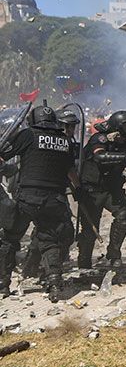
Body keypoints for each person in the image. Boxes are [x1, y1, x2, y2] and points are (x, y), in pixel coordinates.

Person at [0, 105, 77, 302]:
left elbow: (3, 155)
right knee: (51, 240)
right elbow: (71, 172)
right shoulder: (65, 140)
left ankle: (3, 285)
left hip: (27, 197)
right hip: (54, 199)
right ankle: (54, 284)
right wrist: (80, 190)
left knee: (10, 238)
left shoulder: (28, 135)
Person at [77, 110, 126, 268]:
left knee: (124, 218)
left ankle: (114, 253)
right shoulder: (100, 138)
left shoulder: (124, 142)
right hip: (92, 189)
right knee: (90, 228)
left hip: (112, 189)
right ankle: (84, 261)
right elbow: (100, 157)